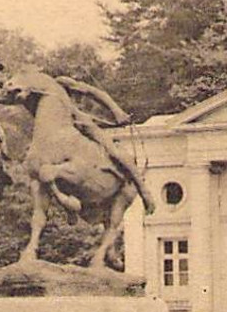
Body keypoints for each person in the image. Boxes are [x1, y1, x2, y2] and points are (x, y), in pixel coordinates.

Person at [54, 75, 158, 215]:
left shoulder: (62, 83)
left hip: (82, 125)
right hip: (62, 132)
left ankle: (143, 190)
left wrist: (117, 112)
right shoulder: (46, 93)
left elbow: (97, 93)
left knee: (113, 151)